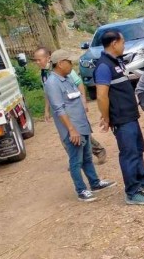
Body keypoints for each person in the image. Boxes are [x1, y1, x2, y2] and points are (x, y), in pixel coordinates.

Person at [94, 30, 144, 205]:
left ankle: (143, 180)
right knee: (128, 154)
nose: (124, 45)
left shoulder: (116, 62)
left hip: (130, 115)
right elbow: (101, 96)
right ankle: (132, 192)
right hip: (121, 118)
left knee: (138, 149)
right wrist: (106, 117)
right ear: (114, 43)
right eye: (123, 42)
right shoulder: (104, 66)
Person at [43, 49, 115, 202]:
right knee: (76, 161)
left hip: (82, 126)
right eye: (69, 62)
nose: (72, 64)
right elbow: (59, 109)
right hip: (73, 130)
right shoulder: (52, 83)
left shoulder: (67, 78)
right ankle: (81, 190)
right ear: (60, 63)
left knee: (87, 156)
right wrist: (71, 130)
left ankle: (95, 182)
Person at [33, 46, 107, 164]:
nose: (37, 62)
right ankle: (76, 159)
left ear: (48, 58)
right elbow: (48, 92)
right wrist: (46, 109)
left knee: (77, 133)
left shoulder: (63, 68)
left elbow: (78, 83)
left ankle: (97, 150)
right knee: (66, 136)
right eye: (35, 60)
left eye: (39, 59)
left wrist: (83, 100)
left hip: (70, 107)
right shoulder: (44, 73)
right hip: (59, 108)